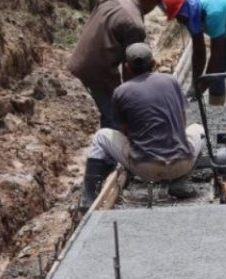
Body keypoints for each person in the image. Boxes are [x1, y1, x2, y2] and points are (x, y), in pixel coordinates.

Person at [80, 43, 205, 209]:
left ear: (127, 67)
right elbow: (182, 121)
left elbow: (125, 130)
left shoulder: (121, 92)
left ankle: (89, 197)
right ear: (154, 64)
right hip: (182, 164)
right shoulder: (171, 81)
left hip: (146, 169)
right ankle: (180, 181)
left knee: (101, 136)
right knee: (198, 129)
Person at [67, 0, 166, 129]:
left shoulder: (111, 0)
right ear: (153, 1)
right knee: (115, 114)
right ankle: (109, 147)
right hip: (98, 70)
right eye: (156, 5)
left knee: (113, 107)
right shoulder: (135, 25)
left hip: (79, 58)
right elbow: (131, 67)